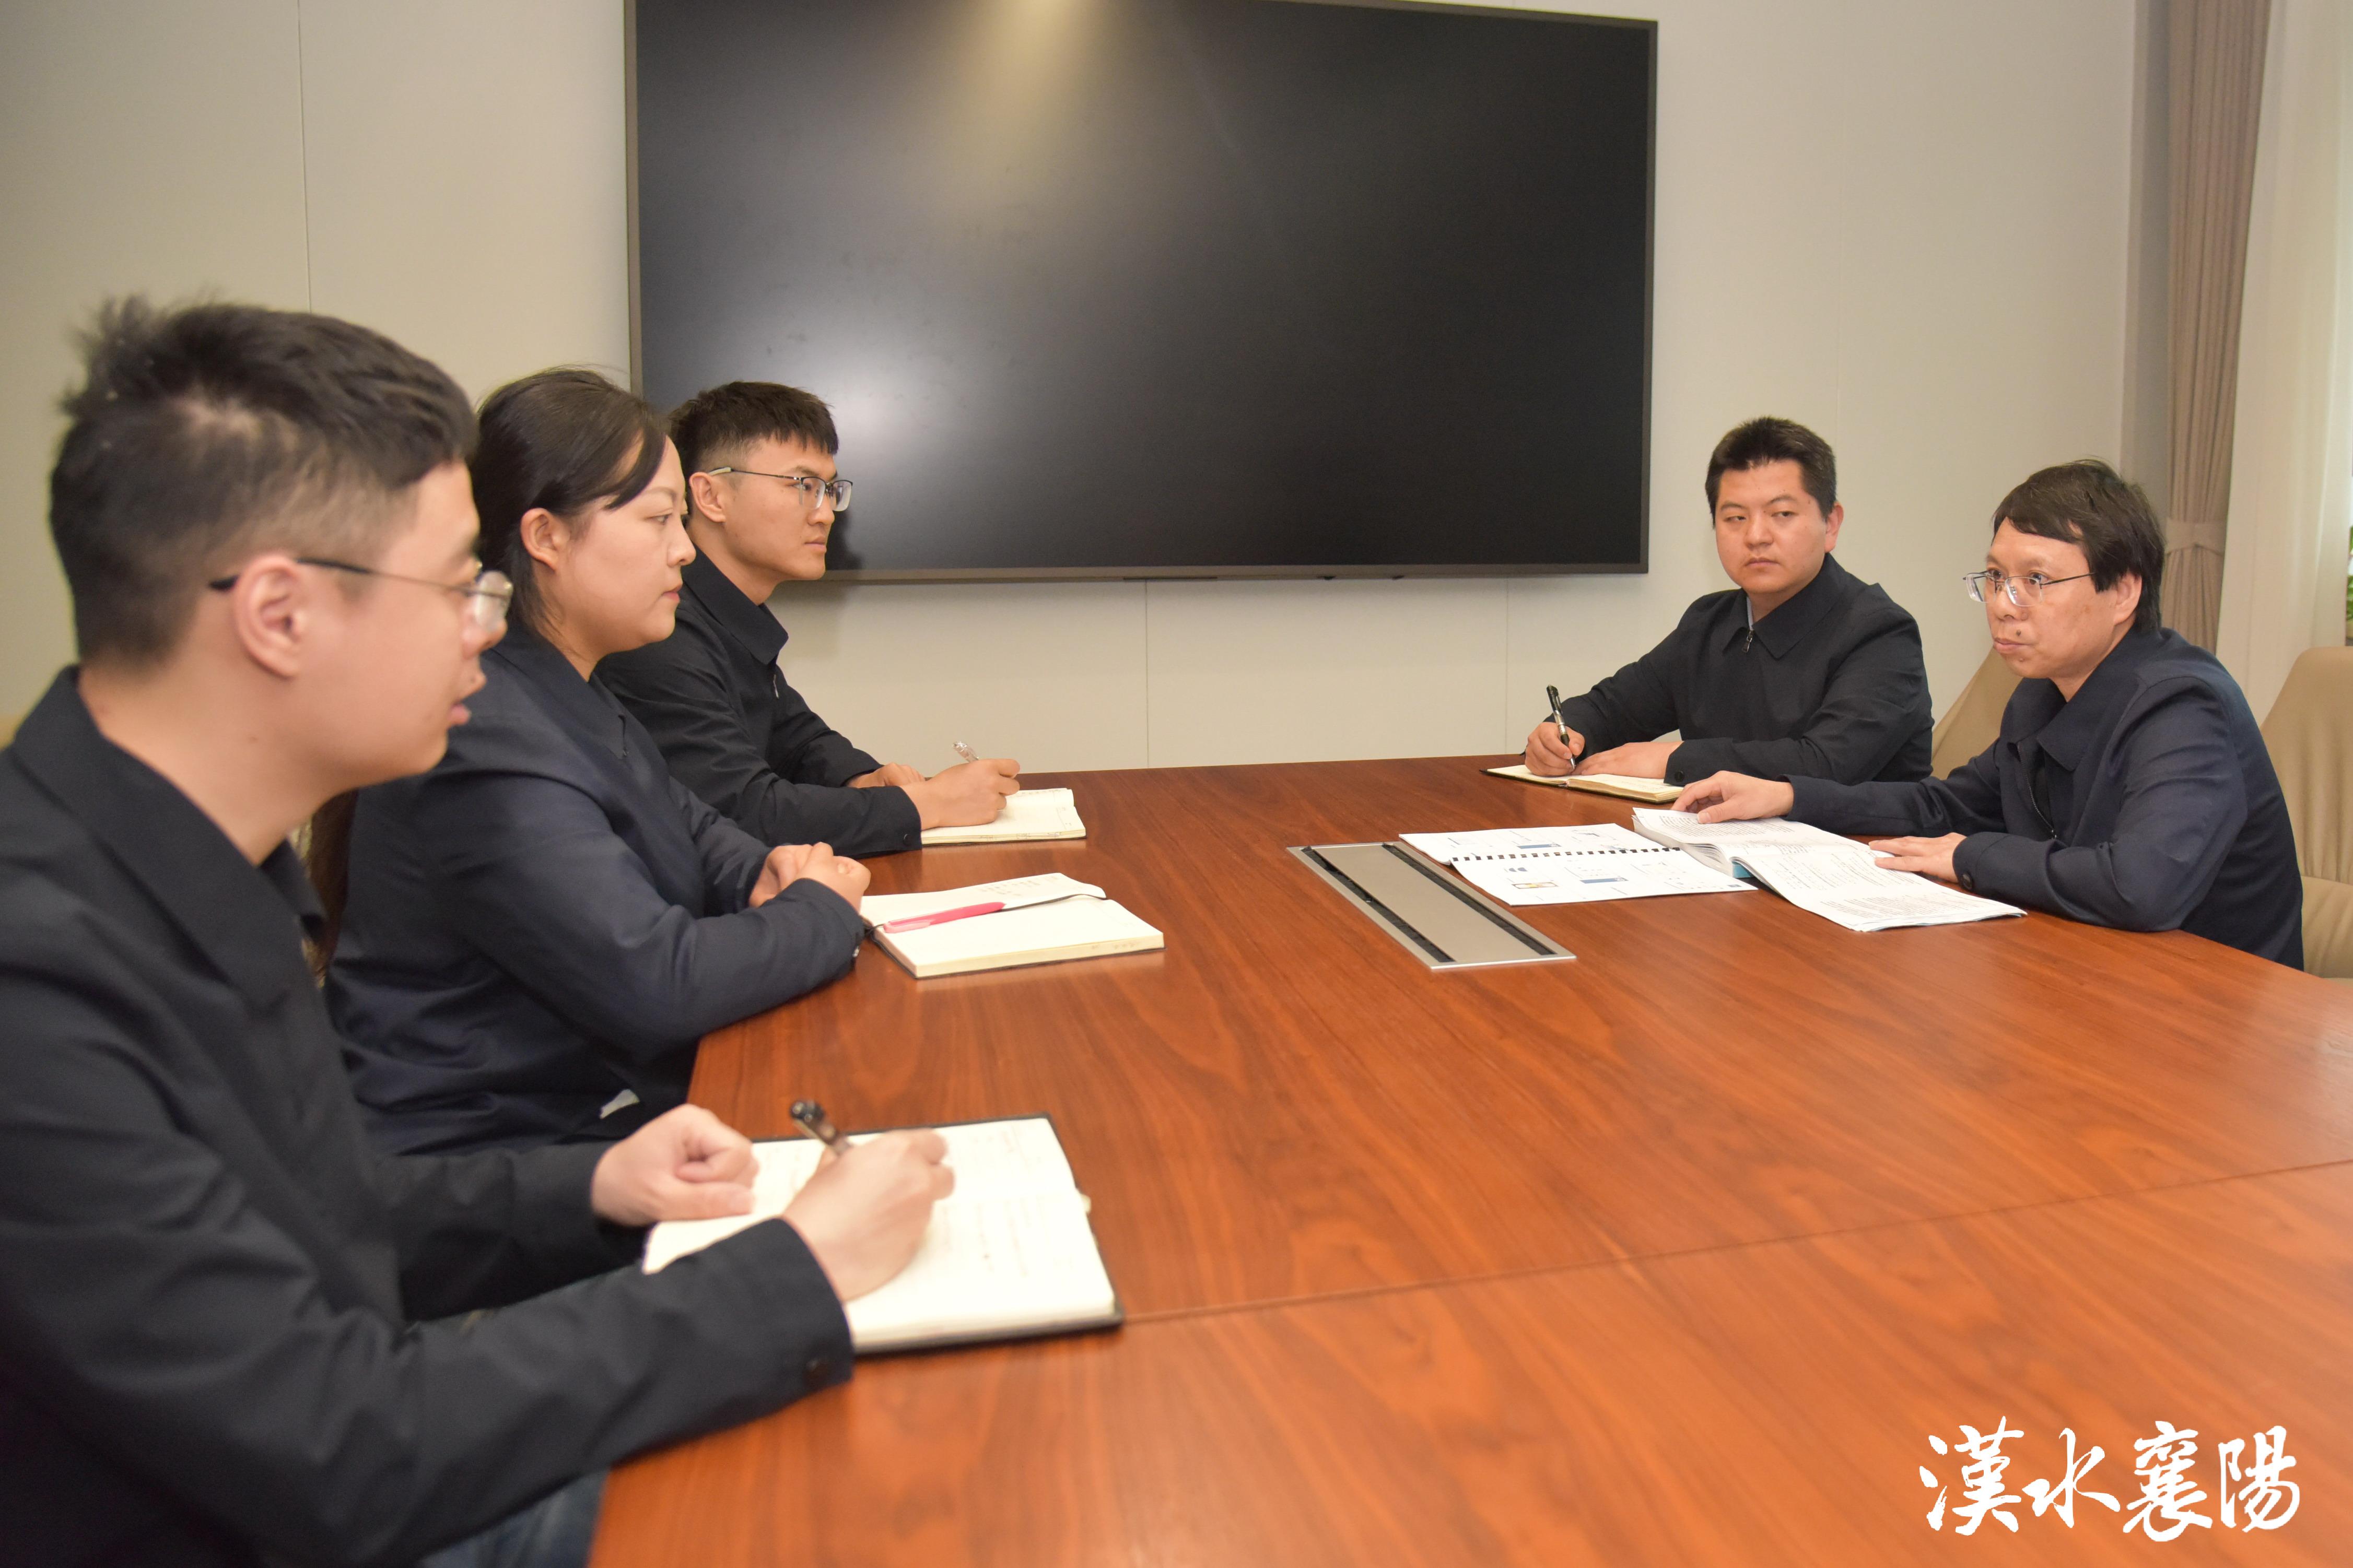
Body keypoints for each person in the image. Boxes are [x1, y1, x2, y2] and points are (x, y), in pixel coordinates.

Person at [0, 298, 954, 1567]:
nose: (487, 626)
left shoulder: (180, 852)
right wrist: (795, 1268)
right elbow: (345, 1447)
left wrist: (595, 1188)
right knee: (879, 1498)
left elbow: (321, 1210)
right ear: (278, 616)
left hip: (351, 1436)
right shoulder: (38, 981)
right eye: (458, 585)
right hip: (305, 1508)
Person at [326, 370, 871, 1156]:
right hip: (498, 1159)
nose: (684, 549)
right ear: (546, 537)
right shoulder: (487, 729)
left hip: (587, 1116)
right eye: (659, 519)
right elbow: (658, 983)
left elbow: (689, 824)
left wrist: (764, 869)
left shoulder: (565, 683)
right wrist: (818, 909)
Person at [1674, 459, 2303, 966]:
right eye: (1996, 577)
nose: (2003, 604)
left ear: (2122, 593)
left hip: (2215, 1014)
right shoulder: (2041, 692)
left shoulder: (2183, 706)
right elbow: (1944, 806)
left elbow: (2140, 886)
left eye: (2036, 581)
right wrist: (1789, 796)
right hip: (2092, 970)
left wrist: (1968, 857)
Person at [599, 380, 1019, 855]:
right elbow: (746, 813)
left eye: (829, 489)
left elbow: (794, 736)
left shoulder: (730, 612)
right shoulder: (661, 627)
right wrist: (927, 804)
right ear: (711, 496)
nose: (825, 514)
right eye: (803, 486)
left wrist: (861, 777)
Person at [1522, 416, 1933, 786]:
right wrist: (1562, 735)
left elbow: (1827, 762)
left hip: (1856, 843)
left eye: (1782, 514)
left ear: (1830, 524)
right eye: (1735, 517)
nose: (1756, 536)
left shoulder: (1879, 633)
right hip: (1715, 839)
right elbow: (1612, 709)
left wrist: (1673, 758)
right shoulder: (1709, 621)